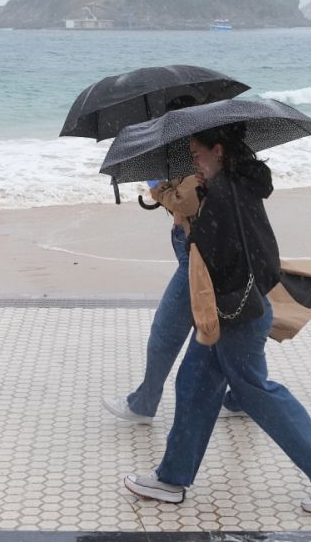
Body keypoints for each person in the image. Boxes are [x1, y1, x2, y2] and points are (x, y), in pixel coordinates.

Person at [123, 123, 311, 515]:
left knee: (254, 390)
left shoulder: (225, 195)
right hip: (236, 311)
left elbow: (224, 259)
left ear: (218, 150)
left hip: (237, 316)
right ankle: (172, 478)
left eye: (196, 154)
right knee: (194, 384)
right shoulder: (235, 184)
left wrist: (192, 228)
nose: (193, 161)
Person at [102, 98, 244, 425]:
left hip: (198, 253)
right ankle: (240, 398)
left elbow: (189, 199)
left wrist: (158, 189)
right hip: (209, 248)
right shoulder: (198, 150)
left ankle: (143, 403)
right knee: (229, 330)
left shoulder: (198, 154)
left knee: (166, 330)